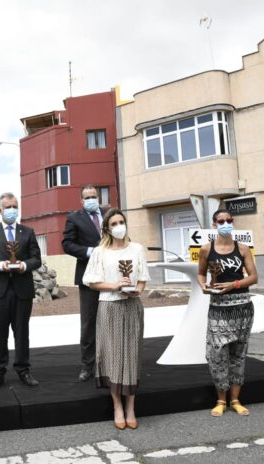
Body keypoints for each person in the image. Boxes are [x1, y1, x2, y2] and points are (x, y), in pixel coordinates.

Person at [82, 208, 149, 430]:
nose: (119, 226)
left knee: (132, 356)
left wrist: (136, 291)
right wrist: (115, 285)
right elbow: (91, 282)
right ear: (107, 229)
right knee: (112, 357)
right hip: (109, 306)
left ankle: (131, 407)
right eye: (114, 223)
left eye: (122, 221)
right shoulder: (100, 252)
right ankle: (117, 406)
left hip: (132, 306)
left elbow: (142, 279)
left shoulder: (137, 249)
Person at [196, 209, 258, 417]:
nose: (225, 224)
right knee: (217, 355)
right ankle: (220, 400)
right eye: (221, 221)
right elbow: (200, 273)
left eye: (228, 220)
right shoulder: (206, 249)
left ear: (233, 222)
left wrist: (235, 284)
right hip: (218, 309)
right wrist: (203, 285)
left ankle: (236, 399)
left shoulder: (242, 248)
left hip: (242, 308)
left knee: (238, 356)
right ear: (214, 224)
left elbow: (254, 277)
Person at [0, 192, 42, 390]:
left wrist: (23, 265)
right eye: (8, 207)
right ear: (0, 210)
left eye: (15, 206)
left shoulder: (28, 232)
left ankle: (23, 370)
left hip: (22, 290)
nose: (12, 210)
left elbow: (36, 259)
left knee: (22, 333)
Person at [62, 184, 108, 381]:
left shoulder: (109, 214)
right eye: (87, 197)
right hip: (88, 277)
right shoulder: (74, 218)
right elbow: (67, 244)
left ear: (98, 197)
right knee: (89, 322)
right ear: (81, 201)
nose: (91, 199)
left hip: (112, 276)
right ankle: (87, 366)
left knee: (109, 320)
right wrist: (90, 251)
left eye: (94, 196)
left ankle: (108, 362)